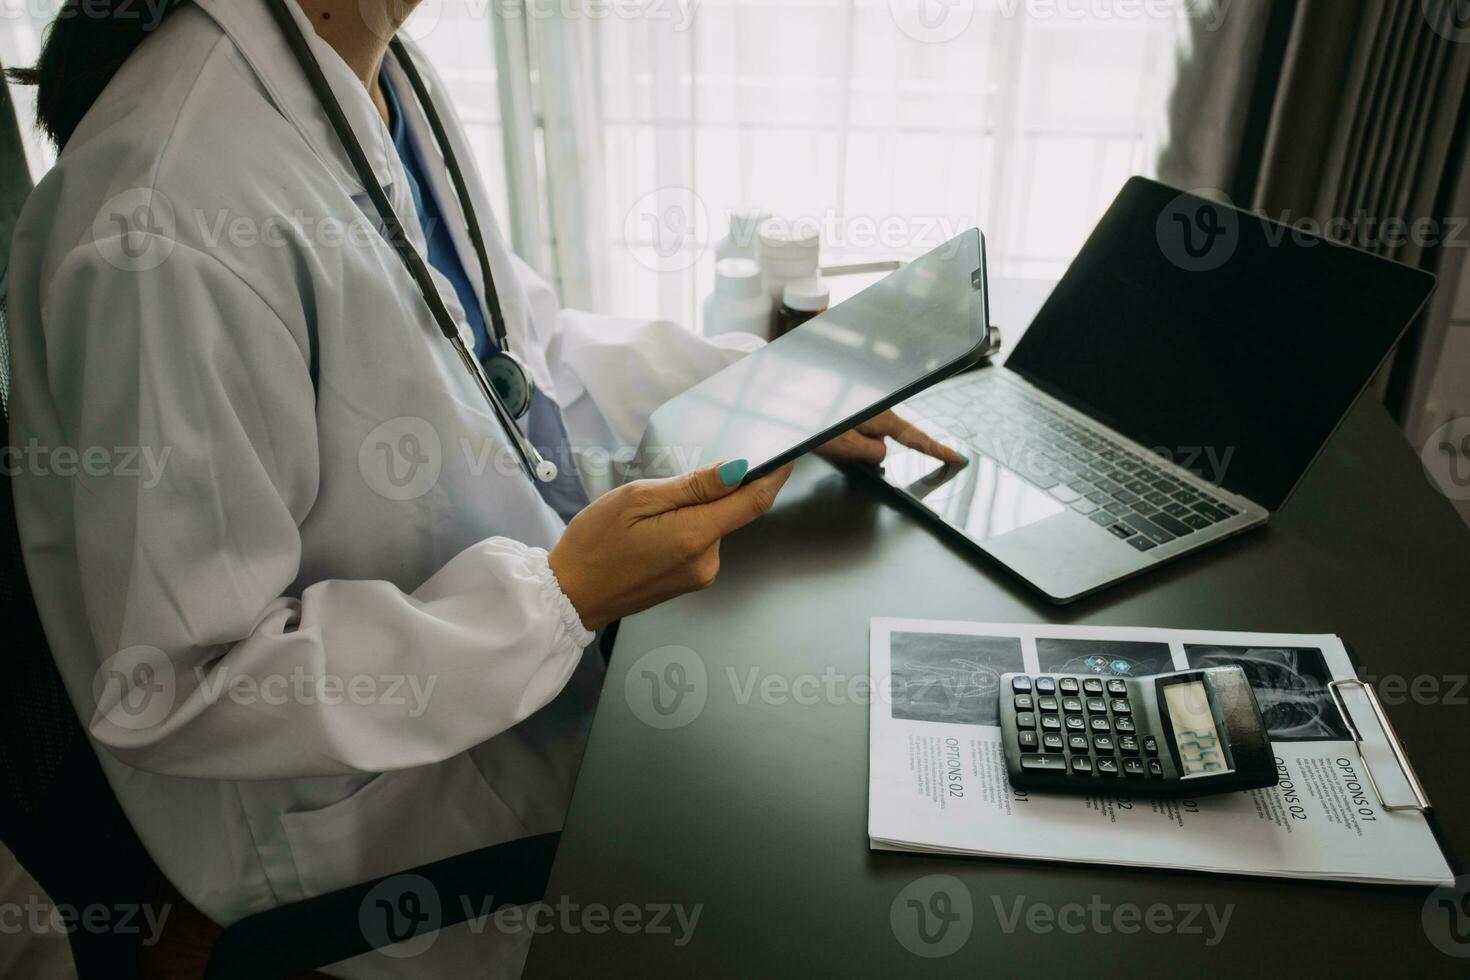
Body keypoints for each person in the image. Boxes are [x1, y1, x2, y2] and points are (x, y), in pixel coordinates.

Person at [5, 1, 958, 975]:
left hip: (528, 677)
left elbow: (515, 353)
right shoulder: (165, 223)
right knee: (826, 870)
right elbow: (188, 680)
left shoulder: (374, 71)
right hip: (378, 839)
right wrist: (557, 598)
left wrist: (764, 389)